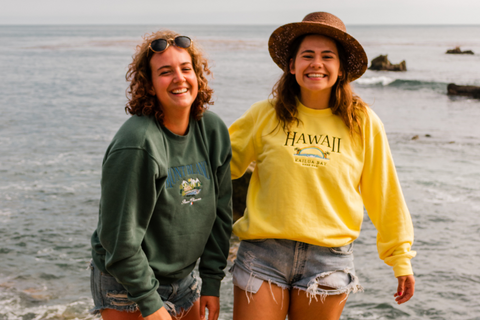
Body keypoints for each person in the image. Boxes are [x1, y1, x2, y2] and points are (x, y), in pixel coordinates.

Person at [228, 12, 416, 320]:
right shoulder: (264, 115)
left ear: (341, 68)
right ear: (292, 65)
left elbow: (385, 193)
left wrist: (400, 259)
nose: (317, 63)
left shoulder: (363, 122)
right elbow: (219, 165)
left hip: (328, 261)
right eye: (307, 56)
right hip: (263, 254)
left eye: (327, 56)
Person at [89, 30, 232, 320]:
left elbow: (221, 214)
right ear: (150, 85)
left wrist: (212, 282)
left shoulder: (213, 130)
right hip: (127, 284)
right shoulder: (138, 144)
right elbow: (118, 240)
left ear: (197, 76)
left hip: (183, 278)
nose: (179, 78)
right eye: (165, 72)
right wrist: (149, 303)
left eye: (186, 68)